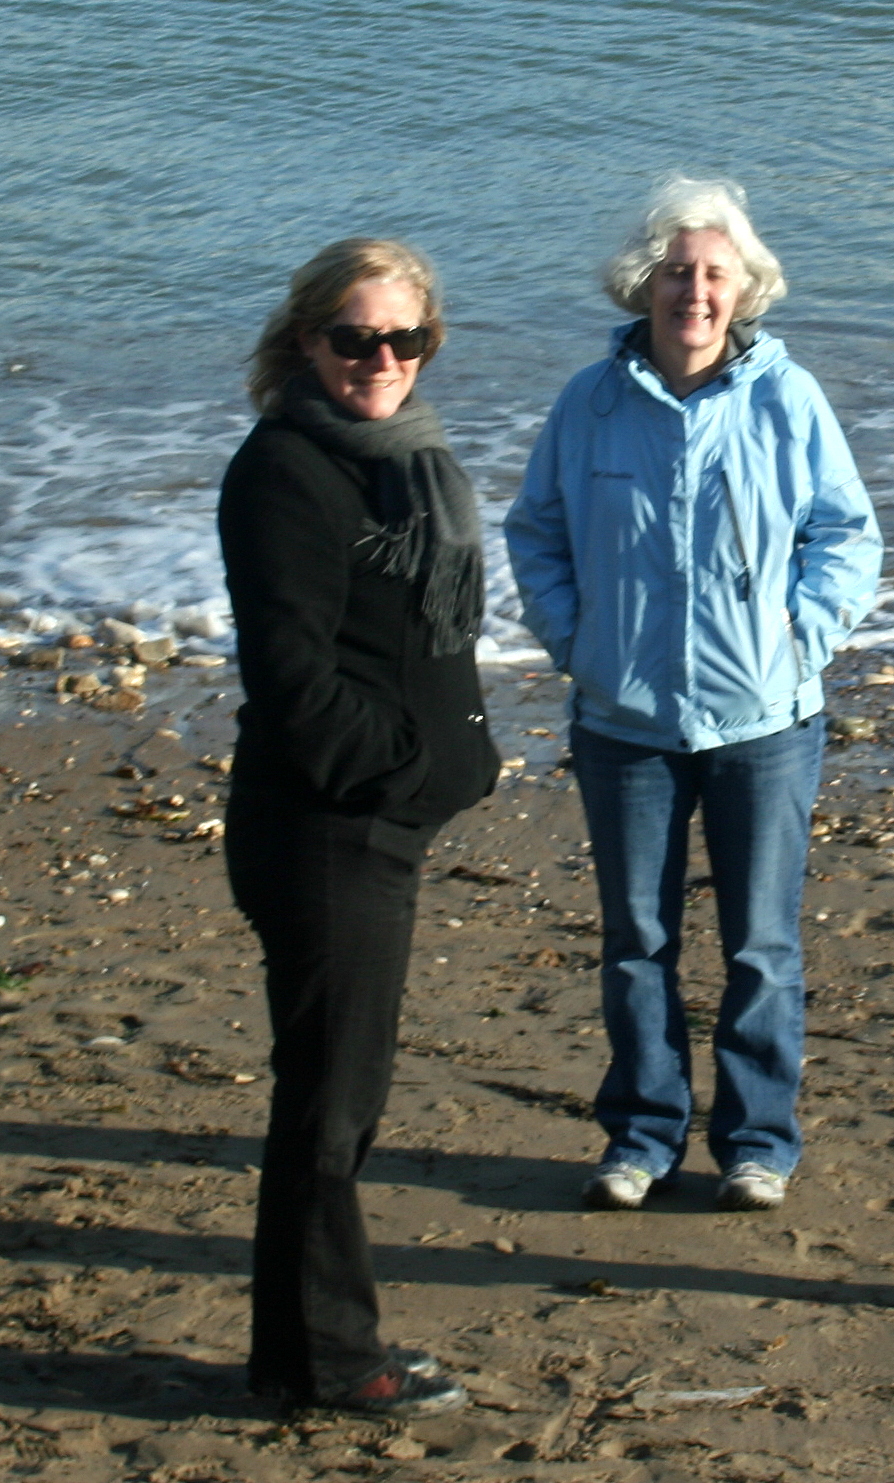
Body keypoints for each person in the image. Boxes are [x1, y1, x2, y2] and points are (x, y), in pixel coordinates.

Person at [505, 178, 881, 1215]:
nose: (695, 292)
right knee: (637, 942)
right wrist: (577, 644)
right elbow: (535, 531)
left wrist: (799, 639)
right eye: (677, 272)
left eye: (715, 273)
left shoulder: (787, 398)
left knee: (761, 945)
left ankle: (757, 1143)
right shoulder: (590, 402)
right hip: (623, 721)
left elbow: (847, 535)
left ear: (744, 287)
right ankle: (642, 1134)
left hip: (766, 721)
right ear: (645, 284)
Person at [218, 237, 500, 1414]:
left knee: (339, 1094)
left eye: (405, 338)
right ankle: (328, 1358)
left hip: (371, 827)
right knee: (330, 1107)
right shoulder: (285, 471)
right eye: (355, 338)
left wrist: (446, 756)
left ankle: (299, 1355)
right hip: (325, 828)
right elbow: (292, 678)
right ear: (306, 341)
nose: (381, 359)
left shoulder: (402, 458)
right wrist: (406, 767)